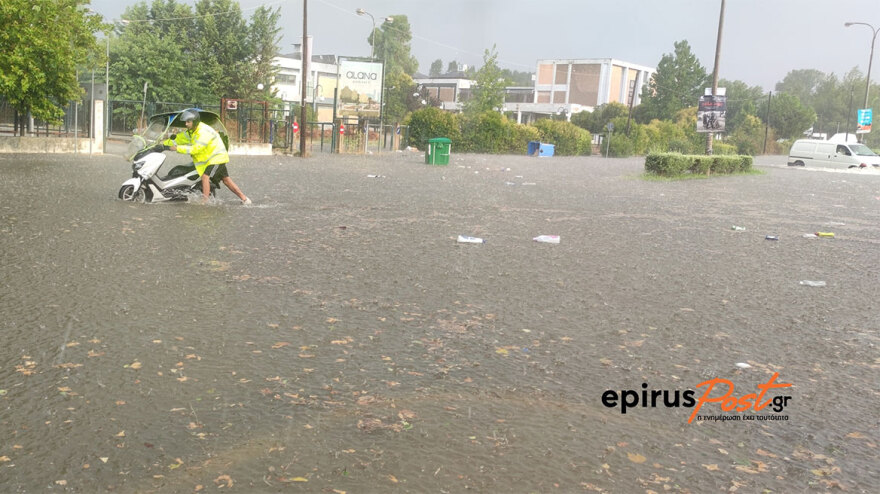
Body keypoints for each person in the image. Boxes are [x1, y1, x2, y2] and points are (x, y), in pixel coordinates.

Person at [163, 109, 251, 204]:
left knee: (205, 177)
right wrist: (163, 145)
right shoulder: (193, 131)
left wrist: (176, 148)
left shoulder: (203, 132)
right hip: (213, 159)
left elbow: (195, 149)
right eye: (185, 122)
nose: (186, 124)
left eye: (188, 122)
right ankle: (245, 199)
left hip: (217, 158)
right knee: (226, 180)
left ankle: (204, 202)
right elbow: (180, 138)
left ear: (195, 121)